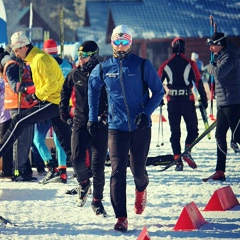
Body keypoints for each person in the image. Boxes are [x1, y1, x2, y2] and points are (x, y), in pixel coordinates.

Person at [87, 25, 164, 232]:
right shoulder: (104, 68)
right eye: (117, 42)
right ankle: (121, 217)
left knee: (137, 169)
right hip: (116, 127)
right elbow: (92, 90)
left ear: (130, 43)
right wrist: (93, 118)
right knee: (117, 171)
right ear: (112, 43)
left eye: (125, 42)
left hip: (140, 126)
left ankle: (142, 188)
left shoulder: (142, 65)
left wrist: (145, 113)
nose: (121, 47)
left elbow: (158, 91)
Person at [0, 31, 72, 183]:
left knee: (19, 121)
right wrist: (33, 92)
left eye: (16, 50)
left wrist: (35, 96)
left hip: (53, 102)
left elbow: (53, 84)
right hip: (55, 101)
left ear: (24, 46)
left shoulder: (40, 59)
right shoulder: (35, 59)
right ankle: (82, 176)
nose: (15, 53)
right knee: (65, 141)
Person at [60, 40, 108, 216]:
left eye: (85, 56)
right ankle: (84, 183)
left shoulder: (104, 72)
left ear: (94, 56)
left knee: (98, 166)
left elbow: (114, 94)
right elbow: (64, 91)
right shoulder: (75, 73)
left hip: (99, 124)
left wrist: (107, 114)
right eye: (80, 55)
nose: (81, 59)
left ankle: (97, 202)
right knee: (76, 159)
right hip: (80, 122)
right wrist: (63, 110)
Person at [158, 38, 208, 171]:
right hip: (187, 101)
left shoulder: (165, 64)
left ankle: (177, 160)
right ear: (184, 49)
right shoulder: (190, 63)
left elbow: (157, 83)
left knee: (175, 132)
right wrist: (204, 99)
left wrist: (159, 99)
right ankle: (187, 151)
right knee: (193, 130)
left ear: (172, 48)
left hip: (172, 102)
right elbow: (198, 81)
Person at [34, 39, 72, 184]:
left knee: (38, 139)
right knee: (60, 139)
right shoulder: (68, 65)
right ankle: (62, 172)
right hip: (64, 106)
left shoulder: (44, 64)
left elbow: (40, 86)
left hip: (47, 105)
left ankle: (51, 168)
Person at [203, 32, 240, 182]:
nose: (210, 49)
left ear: (220, 44)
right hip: (223, 103)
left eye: (212, 45)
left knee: (237, 137)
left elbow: (219, 73)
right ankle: (220, 170)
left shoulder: (230, 56)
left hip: (233, 102)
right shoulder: (221, 57)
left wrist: (211, 66)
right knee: (220, 136)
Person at [1, 49, 37, 181]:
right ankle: (17, 171)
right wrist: (30, 89)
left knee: (27, 140)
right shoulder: (12, 65)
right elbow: (15, 85)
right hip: (18, 104)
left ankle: (23, 169)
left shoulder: (20, 63)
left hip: (26, 104)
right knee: (20, 140)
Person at [0, 48, 13, 179]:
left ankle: (8, 171)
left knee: (6, 144)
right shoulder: (5, 79)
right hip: (8, 113)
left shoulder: (3, 80)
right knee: (7, 143)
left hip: (5, 115)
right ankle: (8, 170)